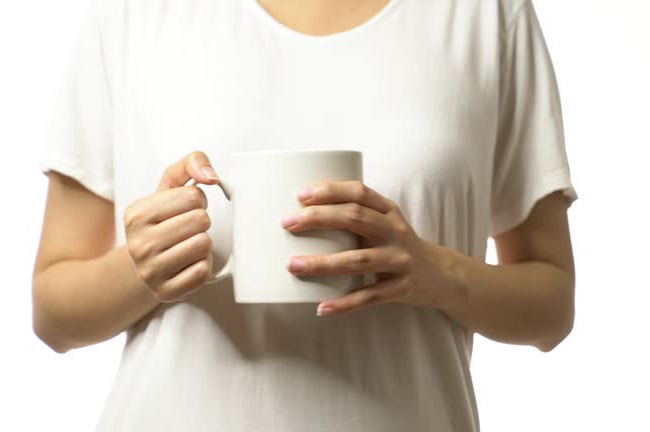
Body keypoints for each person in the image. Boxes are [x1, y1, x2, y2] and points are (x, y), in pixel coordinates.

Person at [32, 0, 578, 430]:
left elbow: (551, 307)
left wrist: (434, 272)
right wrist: (141, 268)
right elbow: (53, 313)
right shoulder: (133, 12)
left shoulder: (487, 14)